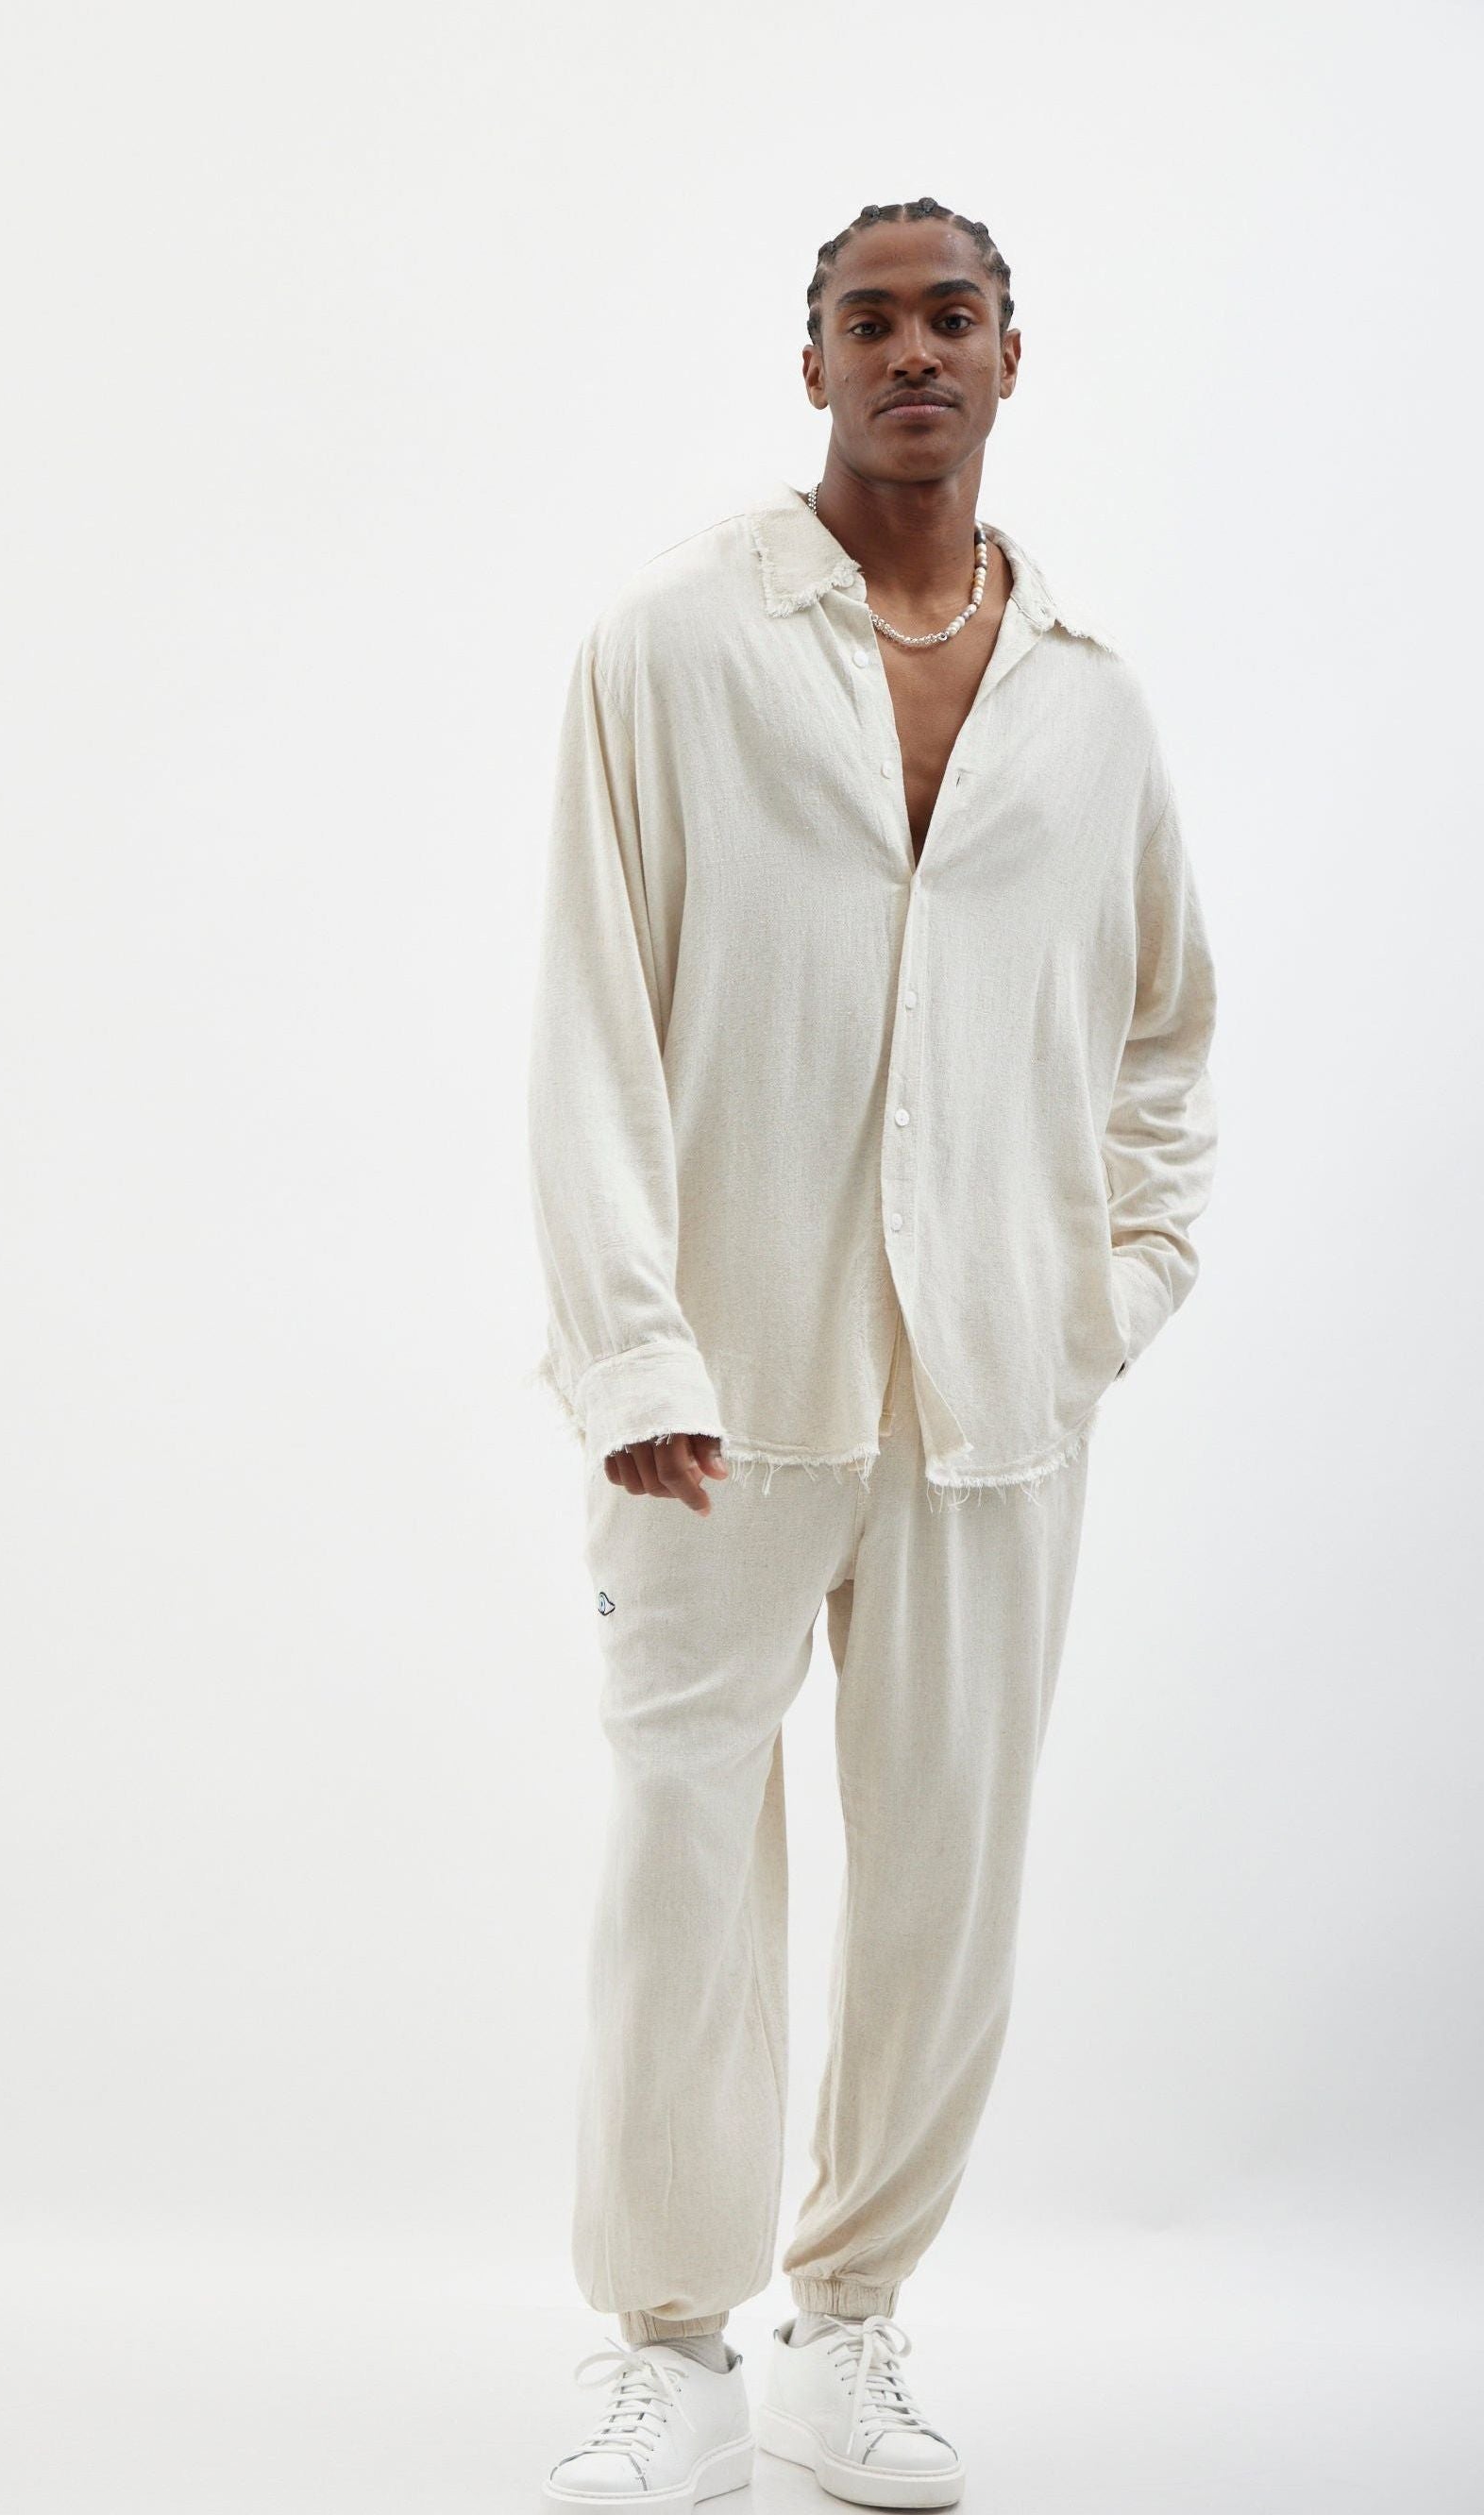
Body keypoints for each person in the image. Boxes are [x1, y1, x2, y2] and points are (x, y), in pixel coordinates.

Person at [524, 194, 1219, 2514]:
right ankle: (671, 2351)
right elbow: (590, 1020)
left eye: (953, 315)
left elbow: (1167, 1041)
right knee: (682, 1863)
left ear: (1014, 355)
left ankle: (852, 2330)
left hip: (995, 1399)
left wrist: (1107, 1300)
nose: (914, 349)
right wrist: (630, 1355)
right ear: (811, 360)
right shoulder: (671, 651)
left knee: (946, 1873)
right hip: (716, 1394)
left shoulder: (1092, 703)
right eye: (870, 318)